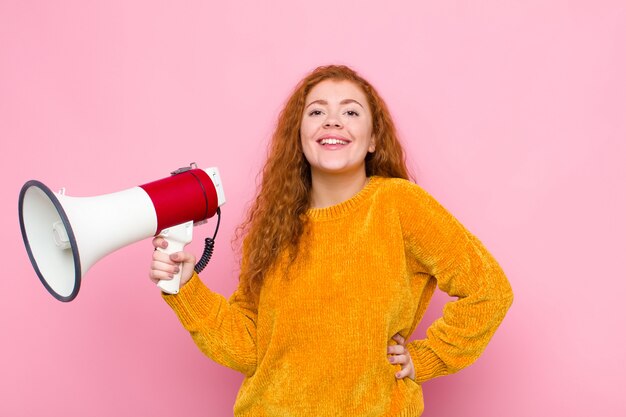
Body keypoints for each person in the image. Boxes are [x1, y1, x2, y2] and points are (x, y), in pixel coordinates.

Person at [149, 64, 514, 416]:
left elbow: (489, 291)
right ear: (300, 136)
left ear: (373, 140)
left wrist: (426, 358)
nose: (333, 120)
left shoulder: (400, 204)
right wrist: (186, 289)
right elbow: (250, 350)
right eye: (317, 111)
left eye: (351, 112)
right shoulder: (274, 227)